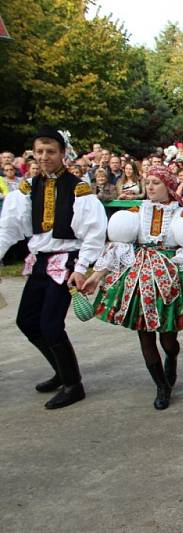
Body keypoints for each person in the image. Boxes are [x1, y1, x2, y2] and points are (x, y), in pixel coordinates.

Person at [81, 165, 183, 410]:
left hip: (171, 278)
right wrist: (97, 277)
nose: (150, 187)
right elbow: (118, 247)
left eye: (156, 182)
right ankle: (161, 385)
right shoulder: (135, 212)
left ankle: (171, 357)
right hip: (139, 278)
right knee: (144, 332)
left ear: (169, 186)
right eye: (147, 182)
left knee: (168, 337)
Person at [0, 128, 107, 409]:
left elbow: (94, 232)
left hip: (66, 261)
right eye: (39, 152)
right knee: (26, 321)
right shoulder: (27, 187)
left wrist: (82, 267)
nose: (44, 157)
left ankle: (74, 384)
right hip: (40, 260)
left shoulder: (78, 188)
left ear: (62, 154)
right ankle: (60, 372)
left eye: (50, 151)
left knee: (50, 324)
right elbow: (9, 228)